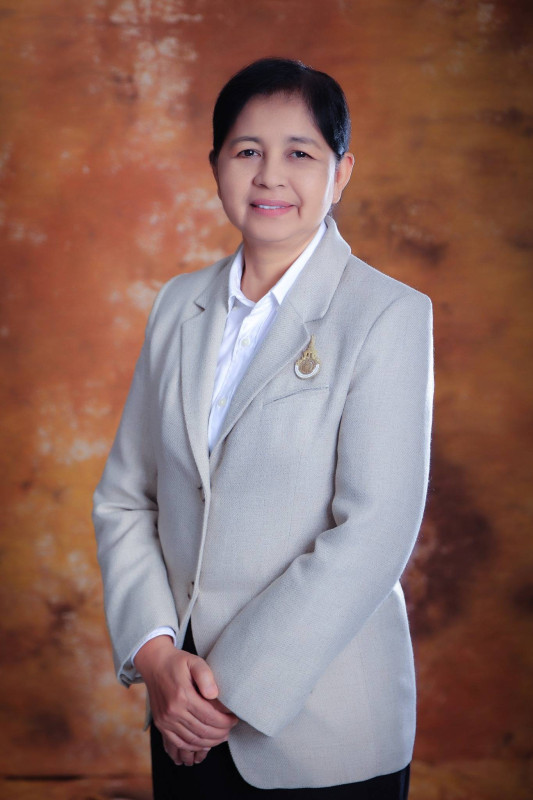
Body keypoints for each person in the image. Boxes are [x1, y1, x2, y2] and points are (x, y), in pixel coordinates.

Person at [93, 57, 433, 799]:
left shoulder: (387, 315)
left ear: (341, 173)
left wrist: (227, 690)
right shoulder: (176, 306)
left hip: (320, 733)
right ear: (215, 165)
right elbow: (126, 499)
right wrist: (156, 659)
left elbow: (374, 532)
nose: (270, 175)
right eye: (247, 150)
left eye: (300, 153)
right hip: (179, 715)